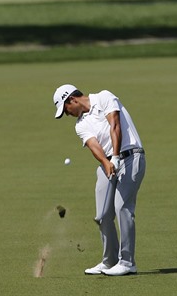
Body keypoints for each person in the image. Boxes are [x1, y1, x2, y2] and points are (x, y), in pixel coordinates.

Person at [52, 84, 146, 276]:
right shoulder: (80, 124)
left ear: (72, 99)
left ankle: (128, 262)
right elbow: (94, 145)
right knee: (103, 215)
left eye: (65, 109)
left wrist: (116, 157)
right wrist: (106, 161)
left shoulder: (104, 97)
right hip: (107, 164)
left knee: (122, 207)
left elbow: (115, 124)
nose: (67, 114)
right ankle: (109, 261)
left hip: (131, 157)